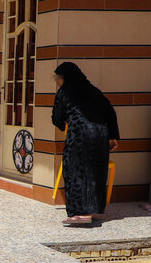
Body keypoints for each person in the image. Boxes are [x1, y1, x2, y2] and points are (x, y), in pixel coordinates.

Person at [51, 61, 120, 226]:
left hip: (80, 133)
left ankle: (80, 213)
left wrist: (63, 123)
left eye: (58, 79)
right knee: (96, 169)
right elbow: (110, 111)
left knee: (75, 169)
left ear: (64, 77)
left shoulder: (65, 91)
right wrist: (113, 137)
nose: (57, 82)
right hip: (100, 133)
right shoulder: (93, 90)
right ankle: (95, 209)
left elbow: (56, 116)